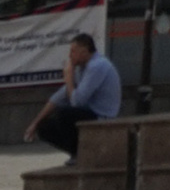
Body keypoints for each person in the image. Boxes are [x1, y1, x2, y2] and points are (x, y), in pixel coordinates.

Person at [26, 31, 122, 160]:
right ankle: (77, 153)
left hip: (102, 115)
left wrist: (69, 78)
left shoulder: (97, 66)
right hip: (88, 111)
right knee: (44, 127)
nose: (70, 56)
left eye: (73, 51)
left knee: (64, 114)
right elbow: (59, 97)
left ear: (84, 52)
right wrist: (35, 123)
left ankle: (79, 153)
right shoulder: (81, 69)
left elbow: (78, 102)